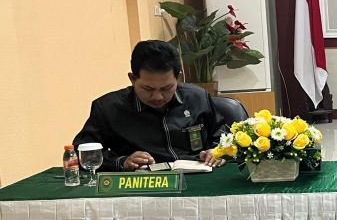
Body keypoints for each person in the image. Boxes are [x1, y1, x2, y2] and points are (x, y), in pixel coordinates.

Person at [73, 40, 228, 171]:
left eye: (166, 88)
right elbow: (81, 154)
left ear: (178, 78)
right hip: (143, 183)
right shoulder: (108, 108)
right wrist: (122, 162)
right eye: (148, 89)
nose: (157, 97)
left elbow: (223, 135)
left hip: (199, 175)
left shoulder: (197, 98)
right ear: (132, 79)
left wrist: (216, 151)